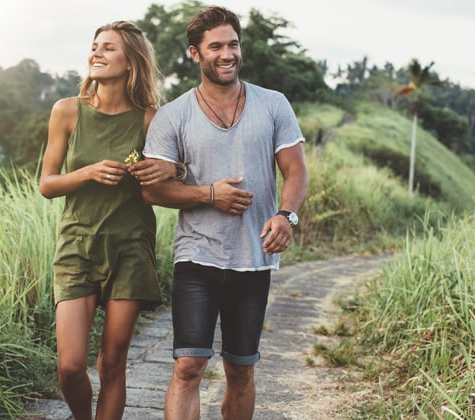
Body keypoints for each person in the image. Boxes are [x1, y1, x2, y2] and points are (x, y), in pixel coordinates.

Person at [140, 6, 309, 420]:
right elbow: (152, 190)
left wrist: (286, 215)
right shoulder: (173, 116)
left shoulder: (273, 105)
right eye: (215, 46)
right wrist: (208, 195)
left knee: (240, 369)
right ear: (195, 54)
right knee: (187, 366)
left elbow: (295, 169)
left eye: (233, 44)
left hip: (254, 257)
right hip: (197, 256)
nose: (227, 53)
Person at [38, 20, 178, 420]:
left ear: (131, 62)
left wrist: (169, 172)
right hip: (77, 246)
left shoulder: (151, 119)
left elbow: (177, 169)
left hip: (130, 246)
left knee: (112, 364)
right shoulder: (67, 111)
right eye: (94, 46)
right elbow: (47, 184)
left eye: (108, 48)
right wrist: (87, 172)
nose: (96, 53)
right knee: (70, 367)